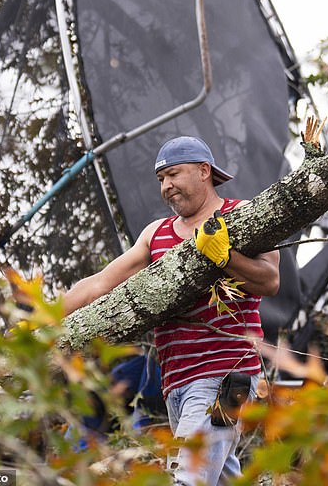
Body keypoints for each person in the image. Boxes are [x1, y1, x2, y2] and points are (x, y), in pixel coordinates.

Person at [62, 135, 280, 485]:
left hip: (223, 376)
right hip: (175, 384)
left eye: (174, 174)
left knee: (188, 479)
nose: (166, 186)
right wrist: (41, 317)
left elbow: (270, 281)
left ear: (204, 171)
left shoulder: (241, 215)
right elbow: (100, 283)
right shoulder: (157, 234)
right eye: (161, 179)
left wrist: (225, 257)